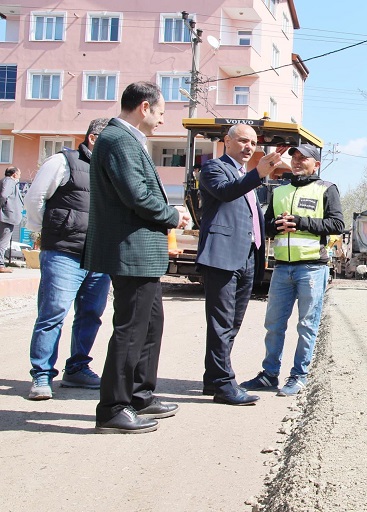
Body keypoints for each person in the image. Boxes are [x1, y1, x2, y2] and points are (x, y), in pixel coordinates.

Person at [83, 81, 190, 434]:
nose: (161, 121)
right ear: (145, 107)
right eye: (160, 112)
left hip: (141, 251)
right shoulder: (118, 140)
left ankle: (140, 394)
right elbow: (137, 195)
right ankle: (113, 407)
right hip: (131, 250)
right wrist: (174, 215)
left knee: (149, 324)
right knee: (130, 329)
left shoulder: (127, 139)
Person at [241, 144, 344, 396]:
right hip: (282, 268)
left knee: (307, 325)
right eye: (294, 157)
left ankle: (298, 376)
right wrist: (275, 226)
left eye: (304, 158)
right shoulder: (280, 191)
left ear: (316, 164)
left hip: (311, 268)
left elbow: (337, 224)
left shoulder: (326, 189)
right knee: (274, 324)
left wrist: (300, 223)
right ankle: (269, 375)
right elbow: (264, 226)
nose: (297, 161)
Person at [196, 123, 283, 406]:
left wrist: (273, 225)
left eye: (253, 143)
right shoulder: (214, 169)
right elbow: (225, 192)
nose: (249, 147)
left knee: (232, 323)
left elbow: (250, 219)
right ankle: (223, 384)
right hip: (221, 256)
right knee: (220, 323)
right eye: (243, 141)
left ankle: (214, 378)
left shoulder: (245, 176)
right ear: (227, 141)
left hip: (247, 256)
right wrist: (260, 173)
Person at [24, 118, 111, 400]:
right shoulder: (62, 162)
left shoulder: (110, 170)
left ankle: (77, 368)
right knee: (53, 314)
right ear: (94, 139)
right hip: (64, 252)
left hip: (98, 255)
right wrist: (46, 231)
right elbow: (35, 199)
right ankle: (41, 375)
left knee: (90, 315)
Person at [0, 166, 23, 273]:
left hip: (6, 216)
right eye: (19, 173)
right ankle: (0, 265)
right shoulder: (9, 181)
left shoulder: (5, 181)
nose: (20, 176)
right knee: (3, 242)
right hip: (6, 216)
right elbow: (4, 195)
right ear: (14, 174)